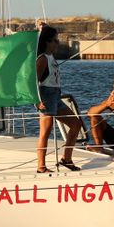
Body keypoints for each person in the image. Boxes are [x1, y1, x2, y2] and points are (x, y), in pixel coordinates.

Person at [35, 25, 82, 173]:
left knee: (76, 124)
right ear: (47, 42)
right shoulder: (42, 59)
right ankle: (41, 166)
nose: (58, 43)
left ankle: (66, 159)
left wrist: (43, 27)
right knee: (45, 132)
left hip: (56, 95)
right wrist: (36, 101)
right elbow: (33, 82)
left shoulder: (51, 56)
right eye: (55, 41)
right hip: (46, 96)